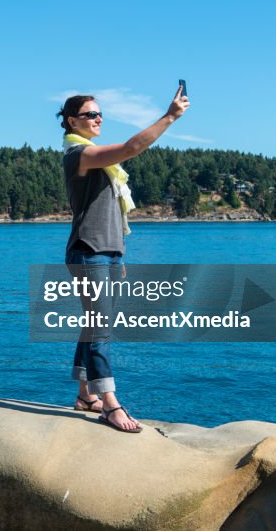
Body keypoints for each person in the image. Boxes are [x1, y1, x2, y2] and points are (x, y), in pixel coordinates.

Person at [58, 86, 189, 432]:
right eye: (90, 114)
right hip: (89, 251)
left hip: (108, 252)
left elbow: (109, 213)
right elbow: (132, 148)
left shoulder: (95, 159)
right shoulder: (79, 156)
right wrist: (170, 116)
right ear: (72, 121)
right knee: (100, 326)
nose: (98, 118)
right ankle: (110, 405)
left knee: (93, 324)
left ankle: (86, 395)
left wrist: (119, 254)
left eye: (100, 114)